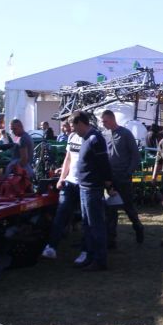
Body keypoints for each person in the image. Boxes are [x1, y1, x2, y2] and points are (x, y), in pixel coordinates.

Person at [70, 110, 115, 271]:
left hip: (92, 189)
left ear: (80, 123)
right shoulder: (87, 139)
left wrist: (109, 185)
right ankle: (89, 256)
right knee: (87, 225)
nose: (73, 131)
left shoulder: (95, 139)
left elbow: (104, 165)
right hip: (84, 188)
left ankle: (99, 260)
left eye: (74, 127)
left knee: (95, 225)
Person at [41, 121, 85, 263]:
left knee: (87, 218)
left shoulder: (89, 137)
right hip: (69, 182)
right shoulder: (72, 137)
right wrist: (61, 178)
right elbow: (68, 158)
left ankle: (85, 250)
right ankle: (51, 247)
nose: (69, 129)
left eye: (72, 126)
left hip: (84, 184)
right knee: (61, 214)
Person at [100, 110, 144, 246]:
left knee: (128, 206)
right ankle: (111, 239)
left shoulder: (125, 134)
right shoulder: (104, 135)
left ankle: (138, 228)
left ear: (113, 120)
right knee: (110, 209)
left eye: (105, 121)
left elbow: (135, 155)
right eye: (102, 121)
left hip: (123, 177)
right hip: (109, 178)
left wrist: (128, 172)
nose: (103, 124)